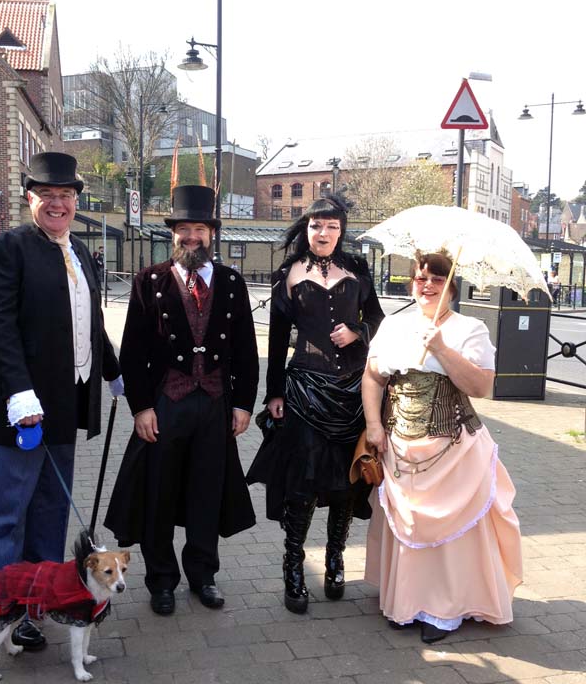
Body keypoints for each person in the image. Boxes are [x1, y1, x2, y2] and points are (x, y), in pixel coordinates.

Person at [0, 152, 123, 650]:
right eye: (48, 195)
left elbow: (89, 322)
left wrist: (113, 370)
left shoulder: (80, 253)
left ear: (76, 200)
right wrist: (19, 394)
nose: (58, 204)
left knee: (49, 513)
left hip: (67, 404)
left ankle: (34, 609)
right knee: (7, 516)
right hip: (21, 412)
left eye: (66, 195)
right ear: (30, 199)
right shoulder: (8, 250)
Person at [104, 185, 259, 616]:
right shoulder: (148, 281)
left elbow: (246, 348)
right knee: (159, 492)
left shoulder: (230, 282)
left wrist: (244, 403)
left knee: (206, 491)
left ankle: (204, 574)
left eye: (200, 229)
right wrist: (141, 407)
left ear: (212, 233)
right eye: (184, 229)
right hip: (165, 402)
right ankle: (161, 580)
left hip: (214, 403)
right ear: (173, 234)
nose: (192, 237)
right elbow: (131, 350)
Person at [362, 251, 522, 644]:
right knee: (408, 525)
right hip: (399, 443)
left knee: (451, 531)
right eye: (420, 278)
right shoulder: (394, 326)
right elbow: (373, 377)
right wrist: (373, 425)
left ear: (452, 287)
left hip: (454, 447)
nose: (428, 285)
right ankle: (407, 603)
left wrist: (442, 350)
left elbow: (482, 388)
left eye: (437, 279)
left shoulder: (470, 329)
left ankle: (445, 609)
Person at [246, 194, 384, 614]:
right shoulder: (287, 273)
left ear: (342, 231)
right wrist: (273, 394)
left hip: (353, 392)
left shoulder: (357, 268)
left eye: (331, 227)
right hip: (305, 388)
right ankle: (293, 566)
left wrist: (358, 331)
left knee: (347, 482)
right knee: (303, 484)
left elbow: (378, 318)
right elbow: (275, 337)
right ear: (305, 229)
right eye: (315, 226)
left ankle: (336, 559)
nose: (323, 234)